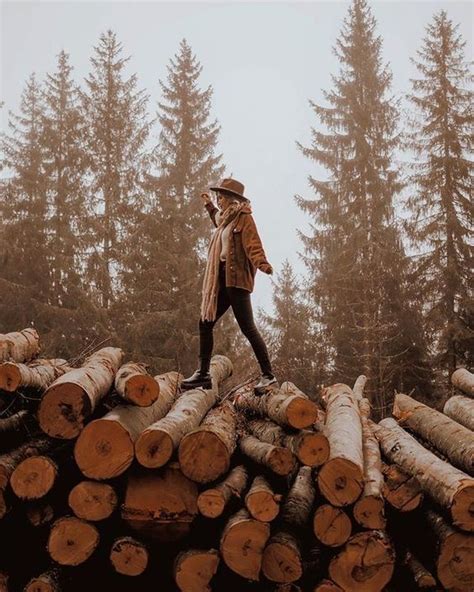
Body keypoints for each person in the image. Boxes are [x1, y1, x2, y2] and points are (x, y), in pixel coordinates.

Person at [181, 177, 278, 393]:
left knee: (248, 328)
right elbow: (216, 218)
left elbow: (253, 244)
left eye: (221, 197)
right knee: (205, 322)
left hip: (237, 282)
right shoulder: (226, 219)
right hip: (222, 280)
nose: (219, 200)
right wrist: (208, 204)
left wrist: (262, 264)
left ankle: (268, 376)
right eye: (218, 197)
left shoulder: (244, 219)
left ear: (231, 199)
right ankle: (204, 375)